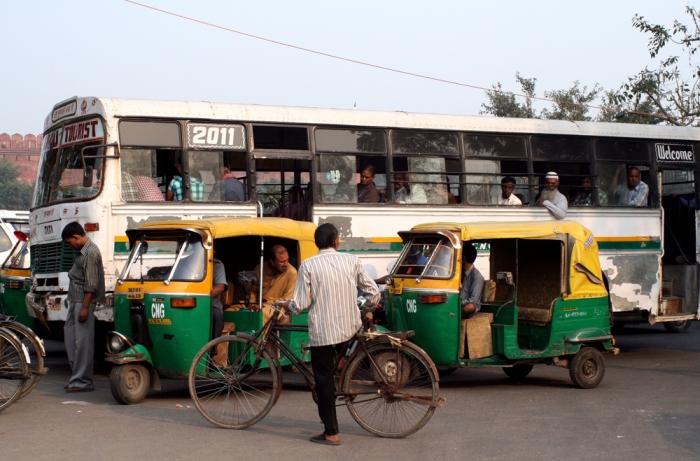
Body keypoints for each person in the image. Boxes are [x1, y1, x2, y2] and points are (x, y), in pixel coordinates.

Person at [282, 223, 380, 446]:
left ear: (317, 243)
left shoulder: (308, 265)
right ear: (336, 241)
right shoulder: (351, 261)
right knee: (334, 369)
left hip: (324, 331)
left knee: (323, 379)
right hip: (350, 327)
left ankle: (332, 433)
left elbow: (300, 304)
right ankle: (343, 381)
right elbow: (373, 292)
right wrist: (366, 308)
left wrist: (287, 305)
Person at [61, 222, 105, 392]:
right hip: (75, 301)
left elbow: (91, 285)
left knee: (83, 343)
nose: (69, 245)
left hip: (83, 302)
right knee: (72, 341)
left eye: (69, 242)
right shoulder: (81, 252)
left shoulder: (91, 253)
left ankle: (83, 381)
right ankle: (77, 378)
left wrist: (85, 308)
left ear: (76, 237)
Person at [254, 244, 298, 323]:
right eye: (281, 262)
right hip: (257, 304)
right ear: (272, 262)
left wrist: (267, 304)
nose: (285, 264)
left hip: (278, 307)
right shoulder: (260, 268)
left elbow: (287, 300)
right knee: (233, 311)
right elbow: (253, 289)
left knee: (262, 313)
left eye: (287, 260)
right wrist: (252, 302)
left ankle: (260, 336)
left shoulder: (292, 273)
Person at [460, 243, 484, 318]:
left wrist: (457, 303)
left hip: (467, 308)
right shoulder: (459, 272)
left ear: (463, 258)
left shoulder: (477, 277)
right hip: (458, 304)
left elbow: (473, 301)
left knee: (469, 307)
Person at [210, 258, 227, 338]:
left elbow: (220, 287)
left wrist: (201, 298)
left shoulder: (216, 264)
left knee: (216, 314)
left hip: (209, 303)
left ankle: (213, 346)